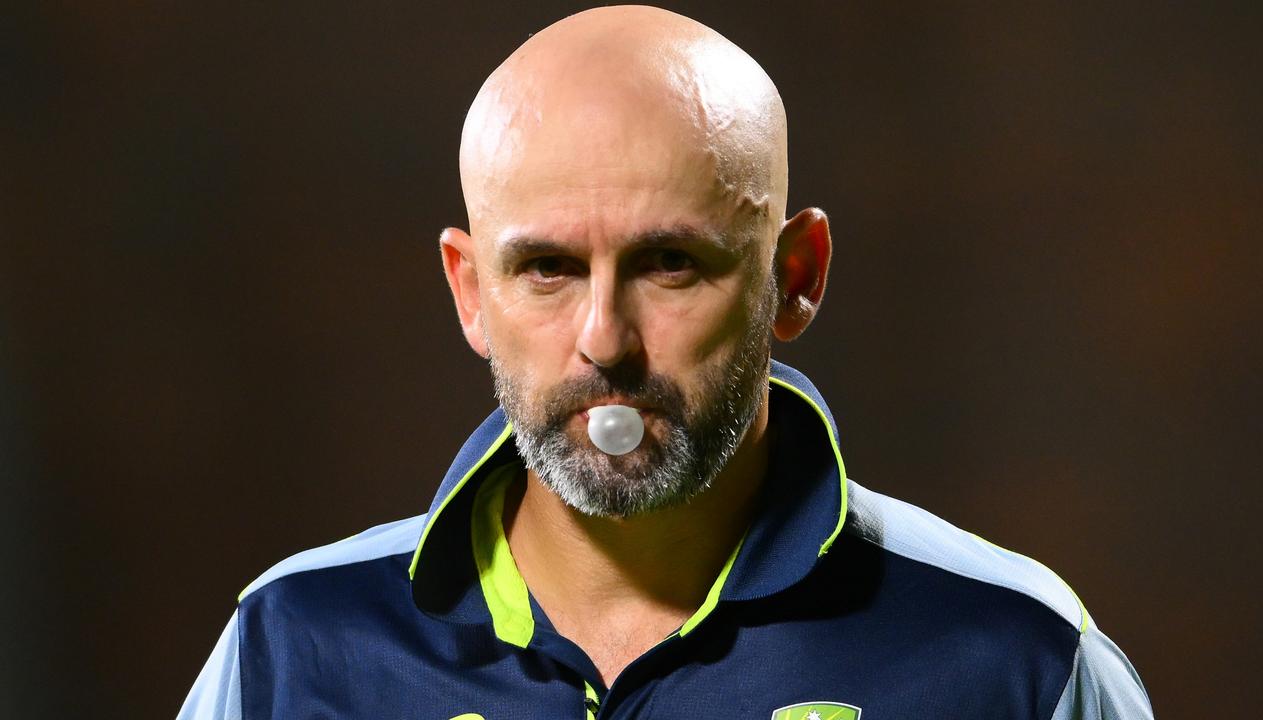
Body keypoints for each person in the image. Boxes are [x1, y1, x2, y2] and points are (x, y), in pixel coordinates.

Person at [178, 6, 1153, 719]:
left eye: (669, 264)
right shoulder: (291, 646)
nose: (604, 340)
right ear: (471, 292)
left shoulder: (1013, 657)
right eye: (548, 269)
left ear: (795, 278)